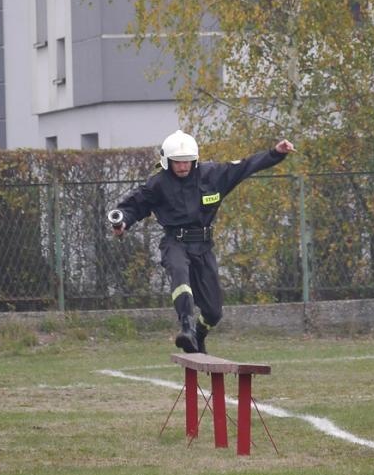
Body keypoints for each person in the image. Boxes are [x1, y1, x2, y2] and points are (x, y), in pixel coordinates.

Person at [111, 130, 295, 353]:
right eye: (177, 162)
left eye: (187, 161)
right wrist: (123, 223)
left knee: (214, 312)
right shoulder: (158, 183)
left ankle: (198, 334)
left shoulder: (213, 175)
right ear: (166, 161)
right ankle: (186, 327)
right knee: (180, 277)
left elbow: (246, 166)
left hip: (204, 247)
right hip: (175, 243)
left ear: (195, 159)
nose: (182, 167)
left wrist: (275, 153)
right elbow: (133, 206)